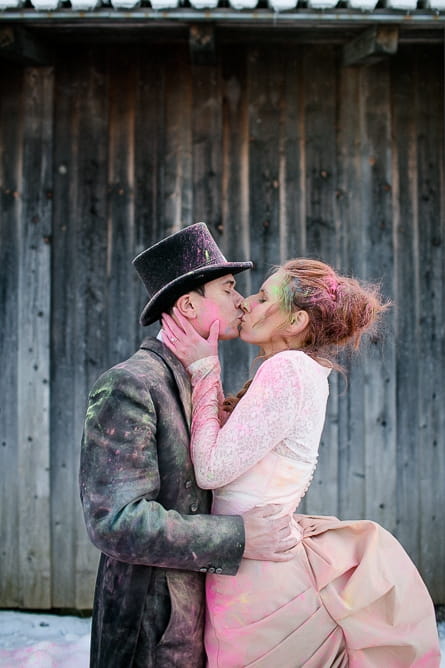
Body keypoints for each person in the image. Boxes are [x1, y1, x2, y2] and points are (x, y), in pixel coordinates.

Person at [162, 258, 441, 668]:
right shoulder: (296, 371)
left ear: (295, 322)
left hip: (258, 584)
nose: (246, 305)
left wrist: (204, 370)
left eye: (261, 298)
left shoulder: (288, 370)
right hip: (253, 563)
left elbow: (210, 470)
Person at [79, 223, 299, 668]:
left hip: (207, 622)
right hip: (150, 631)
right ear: (188, 304)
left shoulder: (202, 378)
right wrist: (240, 537)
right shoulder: (131, 384)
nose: (241, 300)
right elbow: (117, 522)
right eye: (229, 288)